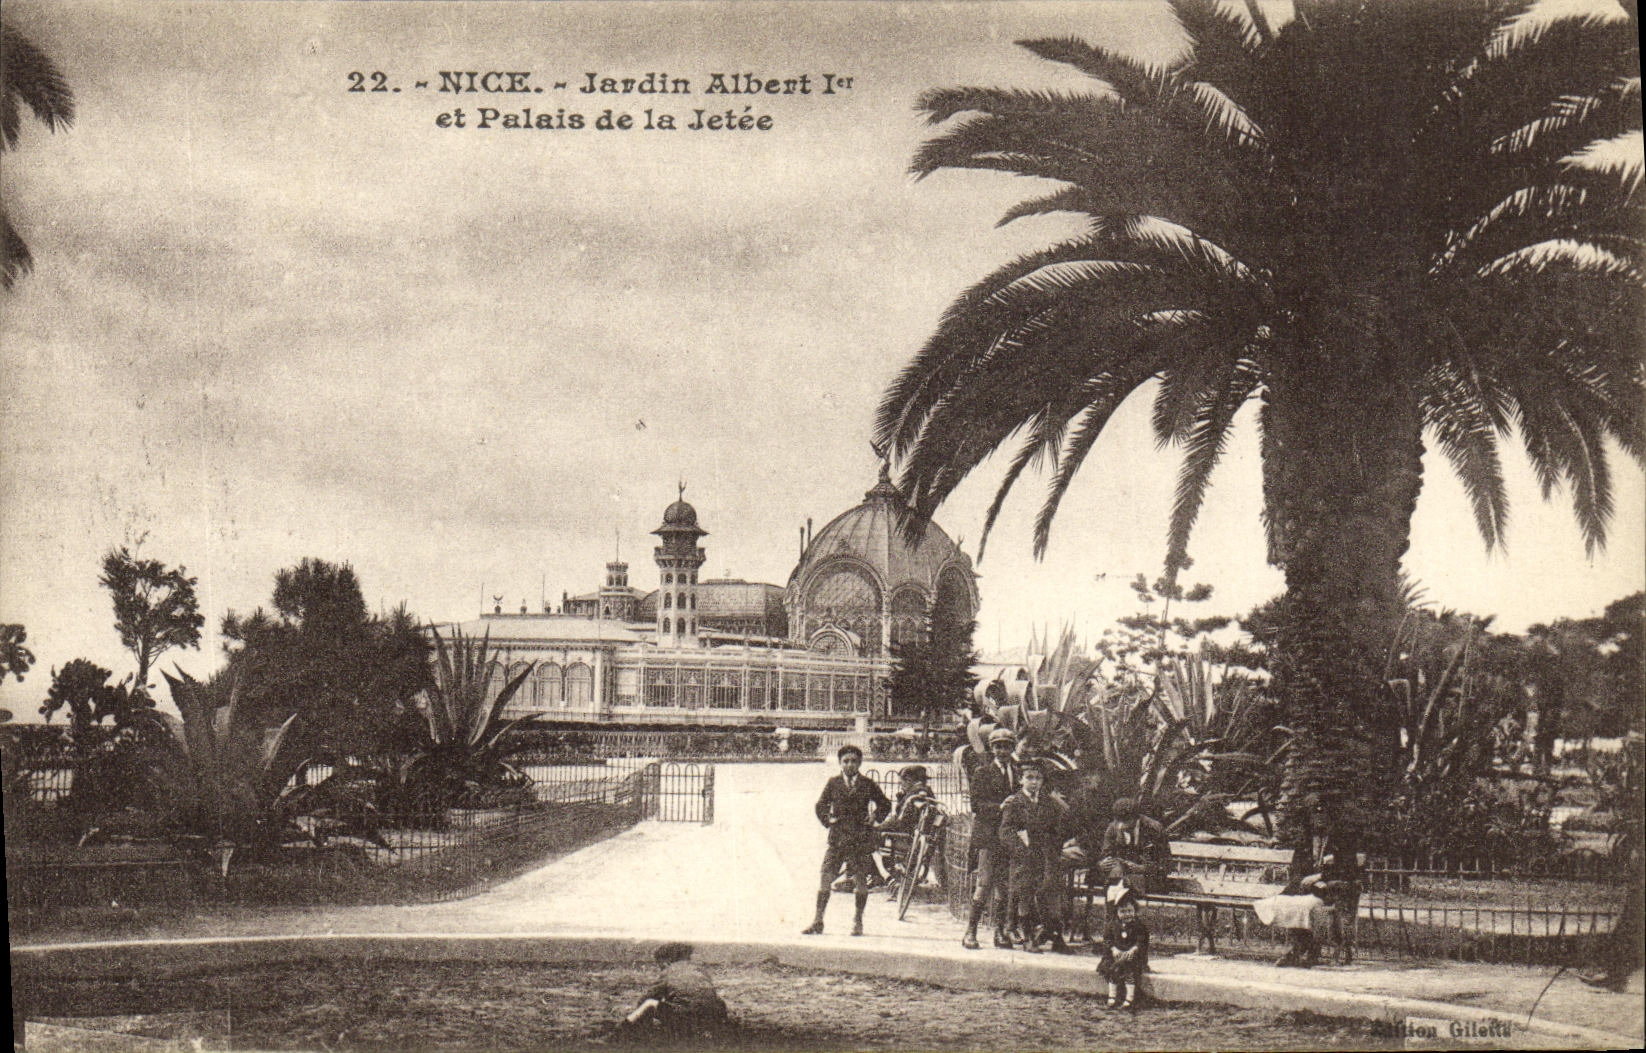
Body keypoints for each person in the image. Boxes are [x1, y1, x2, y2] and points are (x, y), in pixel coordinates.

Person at [802, 743, 891, 936]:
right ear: (840, 763)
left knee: (861, 882)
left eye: (854, 761)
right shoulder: (833, 783)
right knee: (825, 878)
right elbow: (820, 805)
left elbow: (885, 804)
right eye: (846, 761)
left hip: (860, 840)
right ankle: (818, 920)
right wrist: (828, 819)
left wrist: (874, 817)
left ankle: (857, 922)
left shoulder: (867, 784)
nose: (850, 764)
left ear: (860, 763)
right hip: (838, 839)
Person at [999, 756, 1071, 952]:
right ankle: (1028, 936)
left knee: (1049, 892)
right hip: (1023, 857)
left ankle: (1053, 935)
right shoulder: (1015, 802)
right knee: (1025, 894)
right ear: (1021, 780)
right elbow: (1006, 831)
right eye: (1029, 777)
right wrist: (1020, 850)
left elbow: (1059, 828)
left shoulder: (1049, 803)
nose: (1034, 782)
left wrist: (1053, 845)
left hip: (1045, 855)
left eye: (1038, 778)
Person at [961, 727, 1020, 950]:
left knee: (1004, 886)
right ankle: (971, 931)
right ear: (992, 749)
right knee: (984, 884)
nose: (1002, 751)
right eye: (998, 747)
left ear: (1012, 748)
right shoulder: (983, 772)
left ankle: (1000, 932)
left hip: (1008, 837)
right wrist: (1001, 807)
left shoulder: (1018, 772)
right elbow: (976, 805)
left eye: (1007, 746)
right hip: (988, 836)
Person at [620, 942, 729, 1039]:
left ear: (666, 961)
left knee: (649, 1004)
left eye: (660, 965)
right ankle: (719, 1030)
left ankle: (624, 1029)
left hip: (685, 1017)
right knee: (718, 1001)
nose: (660, 968)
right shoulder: (700, 970)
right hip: (709, 1015)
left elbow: (646, 998)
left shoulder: (668, 971)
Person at [877, 764, 941, 886]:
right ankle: (879, 874)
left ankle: (880, 875)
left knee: (867, 836)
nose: (901, 785)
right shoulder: (926, 792)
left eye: (901, 782)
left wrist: (880, 826)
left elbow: (902, 821)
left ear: (909, 780)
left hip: (907, 838)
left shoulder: (914, 795)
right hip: (917, 838)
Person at [1098, 797, 1172, 897]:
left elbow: (1166, 864)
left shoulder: (1153, 829)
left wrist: (1143, 868)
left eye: (1126, 821)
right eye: (1119, 821)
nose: (1121, 825)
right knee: (1116, 875)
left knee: (1120, 883)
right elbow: (1105, 854)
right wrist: (1103, 863)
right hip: (1119, 874)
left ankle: (1118, 901)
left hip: (1148, 878)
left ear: (1136, 818)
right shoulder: (1113, 827)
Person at [1095, 888, 1150, 1009]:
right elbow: (1107, 940)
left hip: (1132, 955)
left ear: (1135, 910)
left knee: (1129, 971)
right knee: (1114, 970)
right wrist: (1114, 949)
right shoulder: (1112, 925)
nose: (1127, 914)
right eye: (1123, 911)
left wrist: (1133, 950)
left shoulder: (1138, 926)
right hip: (1117, 954)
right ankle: (1112, 996)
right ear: (1117, 913)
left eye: (1130, 911)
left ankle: (1129, 997)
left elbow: (1141, 941)